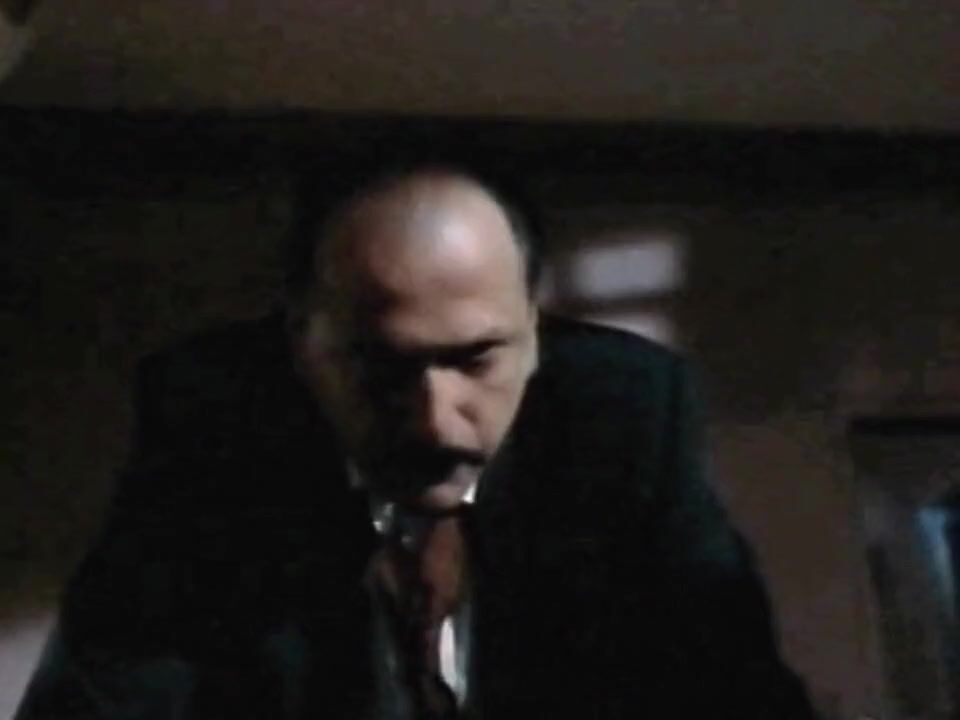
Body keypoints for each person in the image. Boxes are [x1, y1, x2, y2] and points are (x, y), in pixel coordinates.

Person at [16, 162, 815, 719]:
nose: (435, 421)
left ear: (535, 333)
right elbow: (107, 687)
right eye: (381, 367)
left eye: (476, 359)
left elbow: (737, 687)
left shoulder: (623, 415)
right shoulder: (214, 420)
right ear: (299, 343)